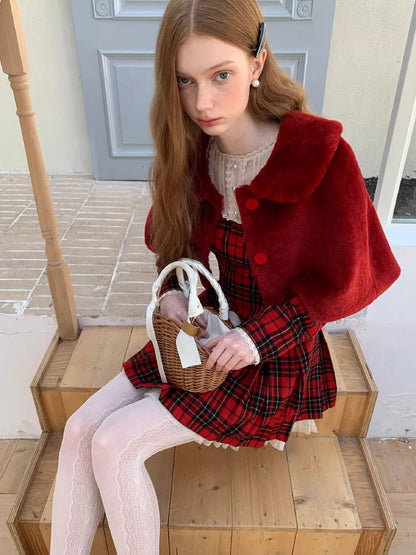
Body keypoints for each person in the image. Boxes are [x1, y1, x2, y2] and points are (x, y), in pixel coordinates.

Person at [50, 0, 402, 553]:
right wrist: (173, 295)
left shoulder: (319, 153)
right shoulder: (193, 152)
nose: (202, 103)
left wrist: (254, 338)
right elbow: (175, 250)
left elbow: (348, 282)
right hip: (201, 341)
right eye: (184, 81)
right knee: (78, 430)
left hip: (271, 360)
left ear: (257, 63)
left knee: (115, 443)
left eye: (221, 75)